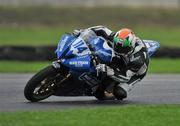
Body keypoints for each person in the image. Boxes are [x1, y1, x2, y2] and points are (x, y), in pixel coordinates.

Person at [73, 26, 149, 100]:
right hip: (125, 59)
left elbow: (125, 77)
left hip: (133, 73)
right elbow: (101, 29)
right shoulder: (117, 38)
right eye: (117, 47)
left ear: (131, 46)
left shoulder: (137, 59)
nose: (119, 51)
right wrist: (83, 32)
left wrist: (108, 70)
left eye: (123, 50)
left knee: (119, 93)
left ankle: (108, 91)